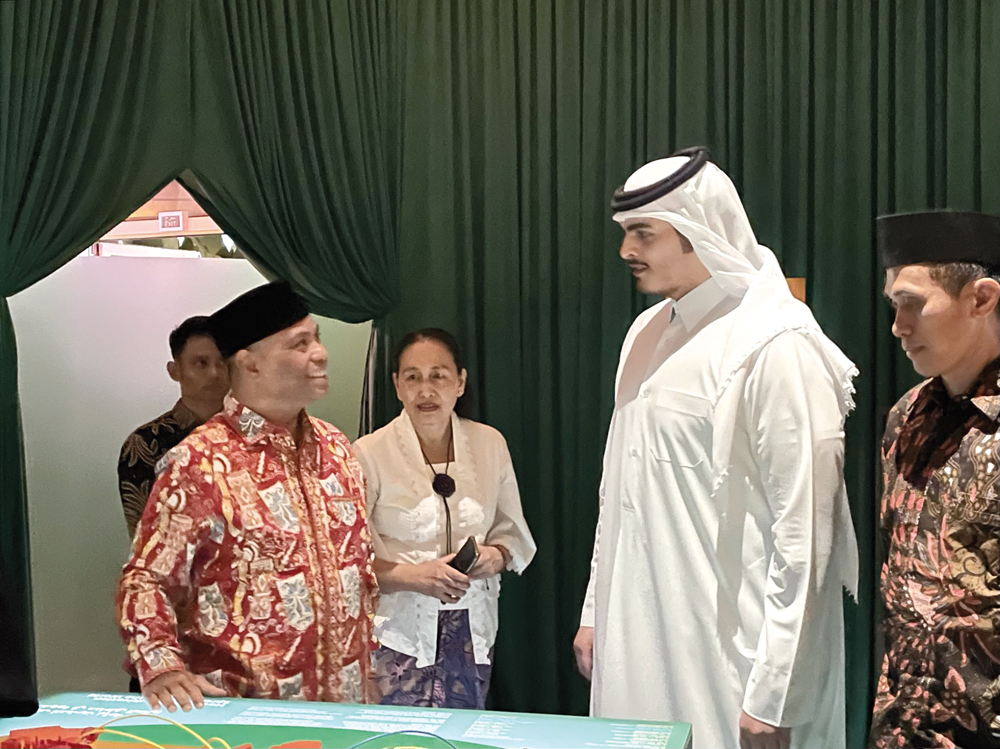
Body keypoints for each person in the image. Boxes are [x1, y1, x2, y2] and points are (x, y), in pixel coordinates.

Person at [572, 147, 860, 749]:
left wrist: (775, 690)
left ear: (697, 230)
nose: (626, 251)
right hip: (640, 647)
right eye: (626, 233)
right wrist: (596, 610)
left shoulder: (778, 345)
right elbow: (616, 491)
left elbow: (805, 532)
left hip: (732, 667)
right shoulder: (644, 333)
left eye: (643, 233)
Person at [117, 281, 379, 711]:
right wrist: (162, 665)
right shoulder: (200, 462)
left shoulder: (337, 449)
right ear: (250, 364)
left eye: (317, 338)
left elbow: (360, 575)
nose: (320, 353)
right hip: (245, 717)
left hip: (344, 711)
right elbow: (146, 578)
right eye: (300, 344)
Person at [870, 211, 1000, 749]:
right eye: (893, 305)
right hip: (906, 725)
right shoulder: (907, 416)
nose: (898, 326)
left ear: (981, 298)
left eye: (913, 303)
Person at [353, 328, 536, 709]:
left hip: (470, 630)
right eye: (413, 377)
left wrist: (496, 556)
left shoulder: (490, 443)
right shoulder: (367, 453)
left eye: (438, 376)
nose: (426, 390)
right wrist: (413, 576)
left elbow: (512, 530)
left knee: (460, 738)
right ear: (396, 385)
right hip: (397, 631)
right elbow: (348, 559)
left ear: (460, 382)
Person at [118, 316, 229, 540]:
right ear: (174, 371)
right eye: (201, 363)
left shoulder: (253, 433)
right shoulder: (147, 443)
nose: (214, 373)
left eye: (222, 362)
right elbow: (144, 537)